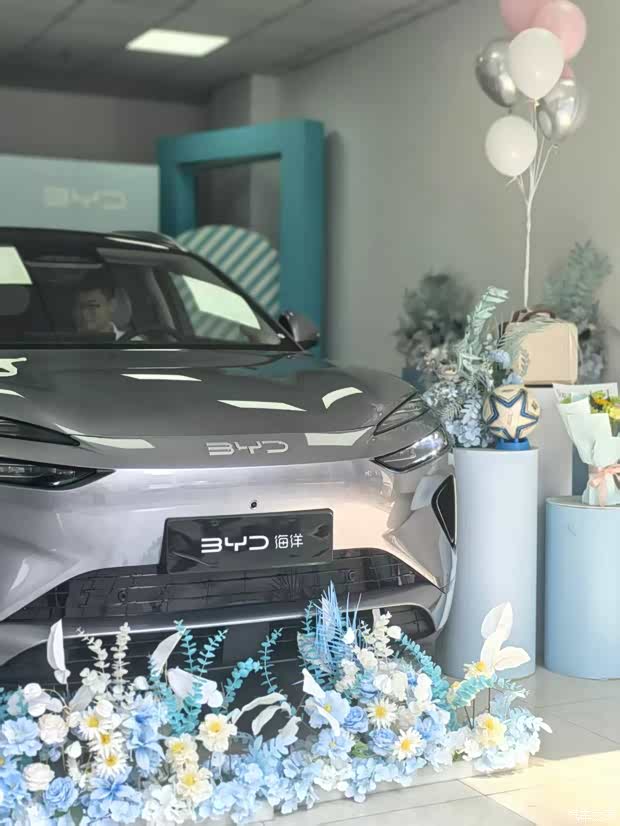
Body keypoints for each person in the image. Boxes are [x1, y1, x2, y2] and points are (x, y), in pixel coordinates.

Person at [75, 274, 124, 339]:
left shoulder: (131, 342)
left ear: (112, 305)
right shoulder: (67, 342)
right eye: (81, 306)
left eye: (92, 305)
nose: (83, 313)